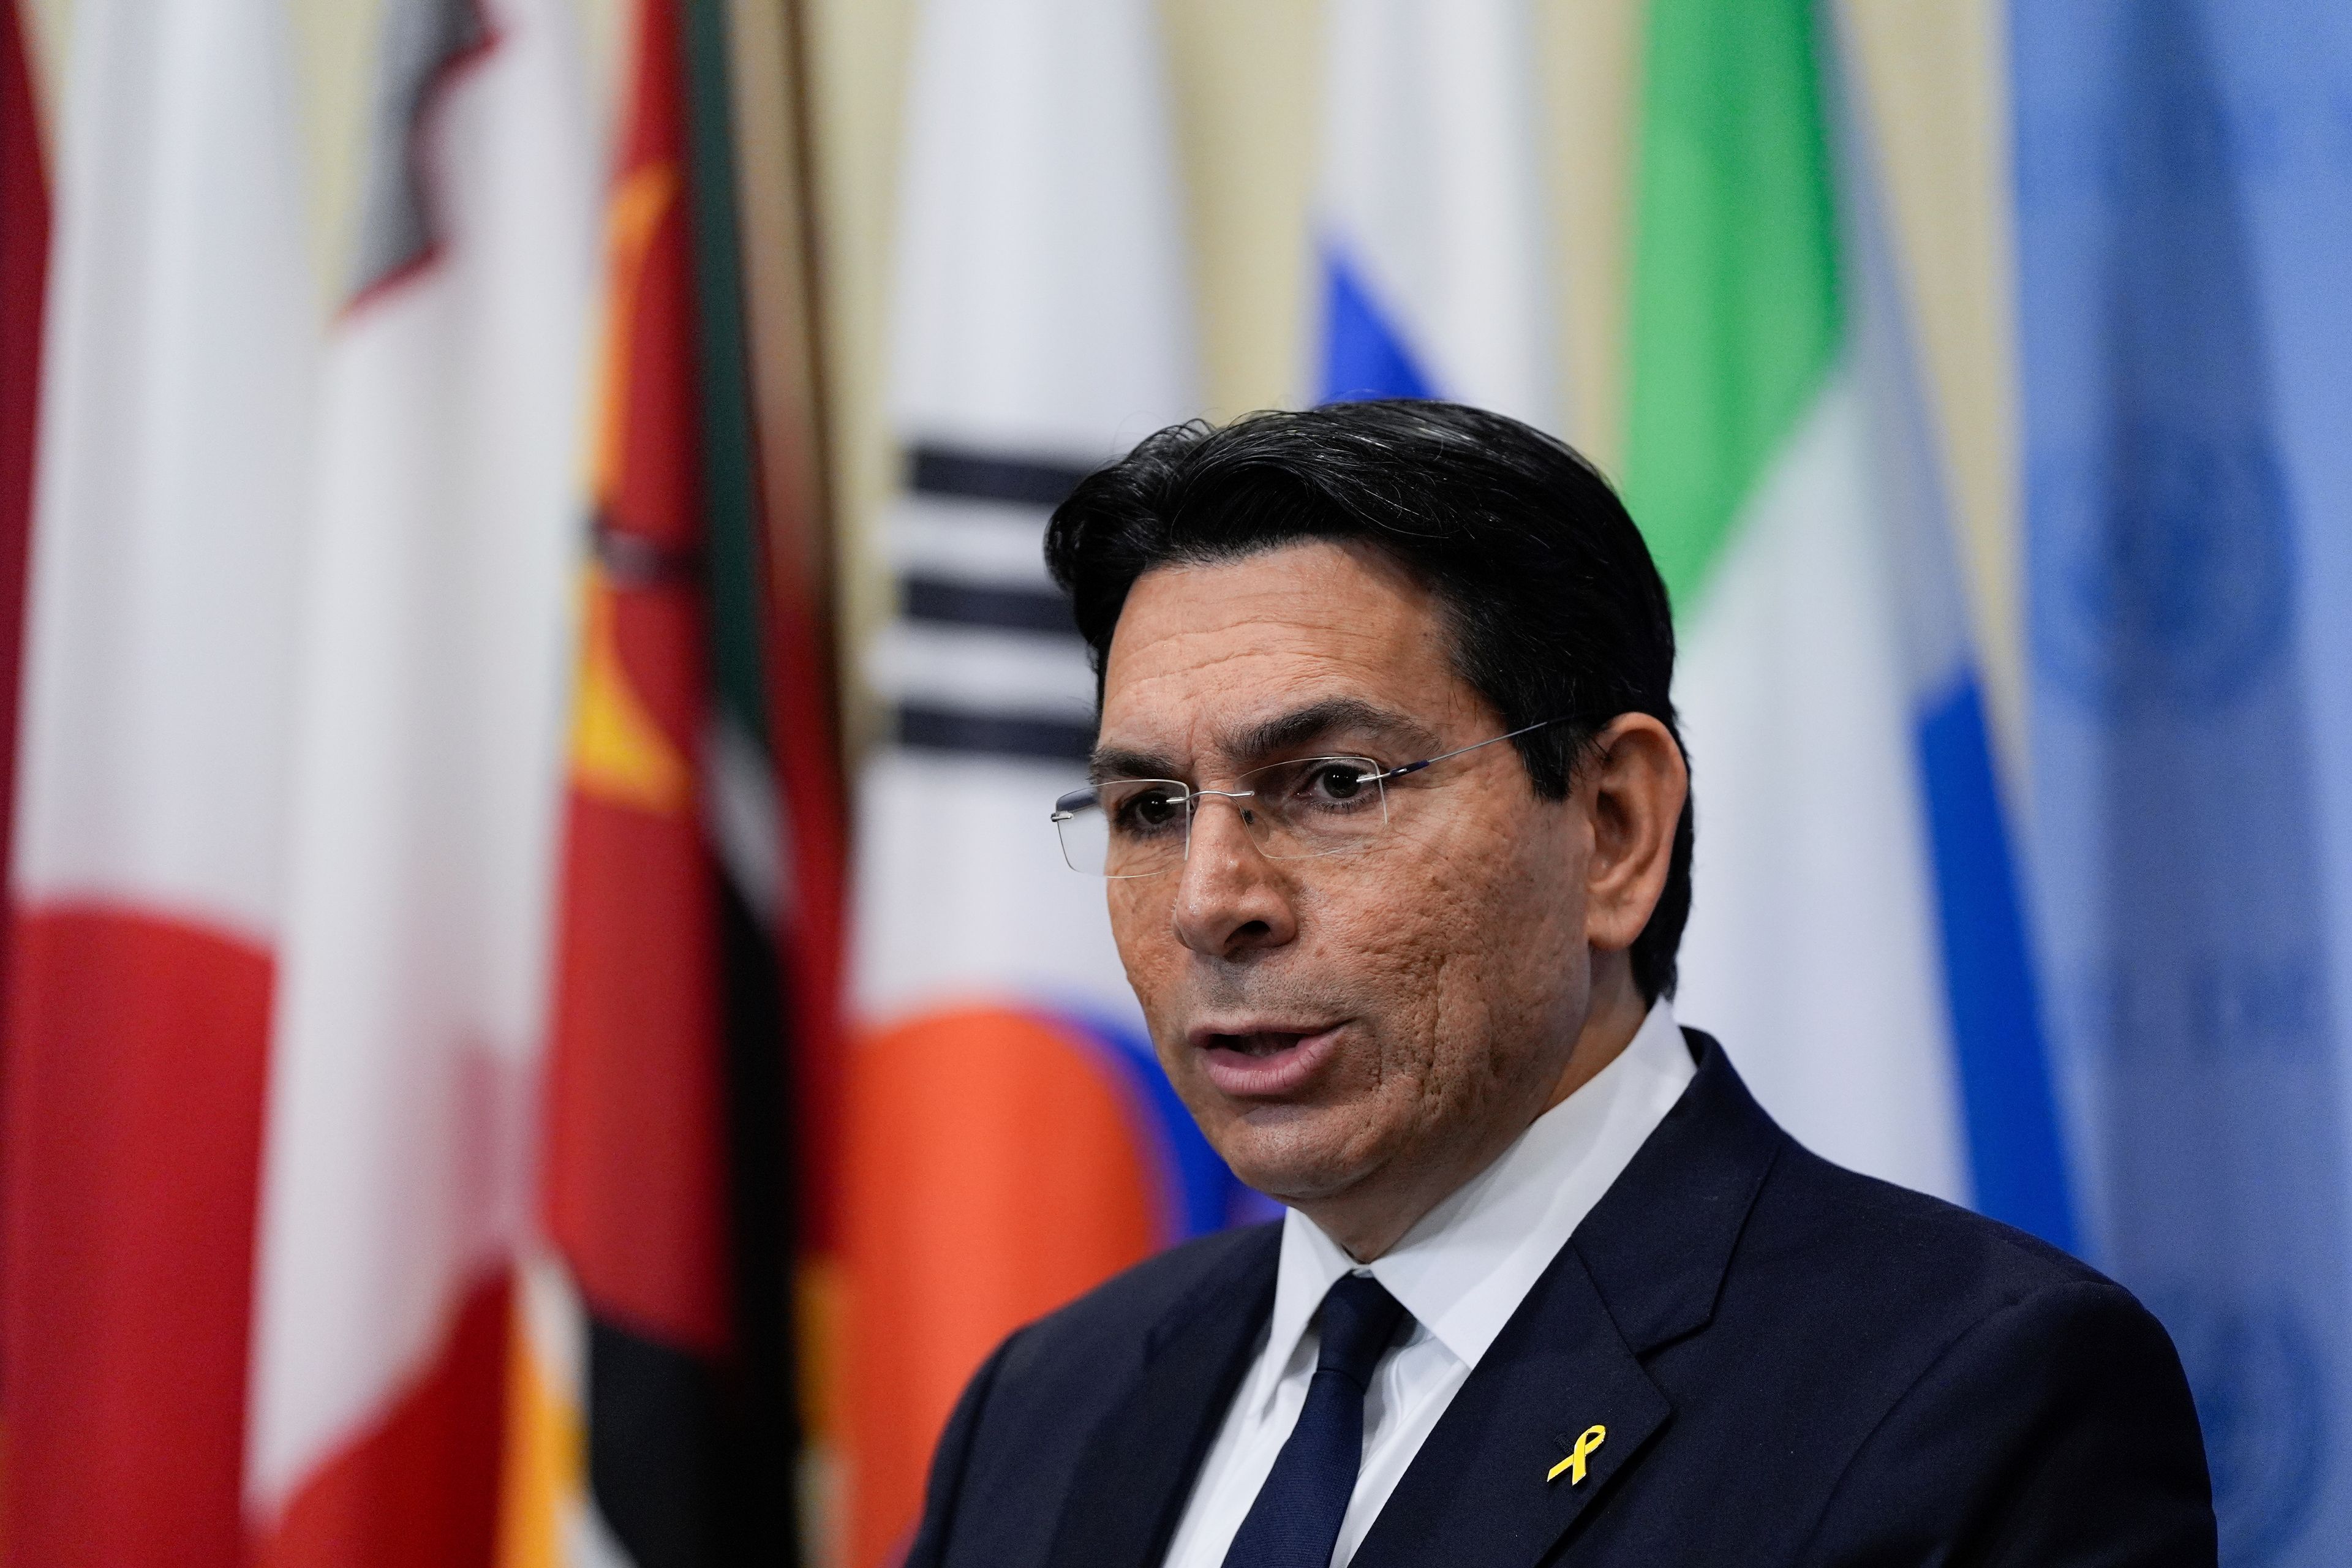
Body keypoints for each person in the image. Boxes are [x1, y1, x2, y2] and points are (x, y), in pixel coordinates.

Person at [903, 401, 2214, 1567]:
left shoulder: (1970, 1393)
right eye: (1150, 805)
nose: (1209, 899)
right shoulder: (1046, 1403)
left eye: (1335, 783)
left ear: (1612, 825)